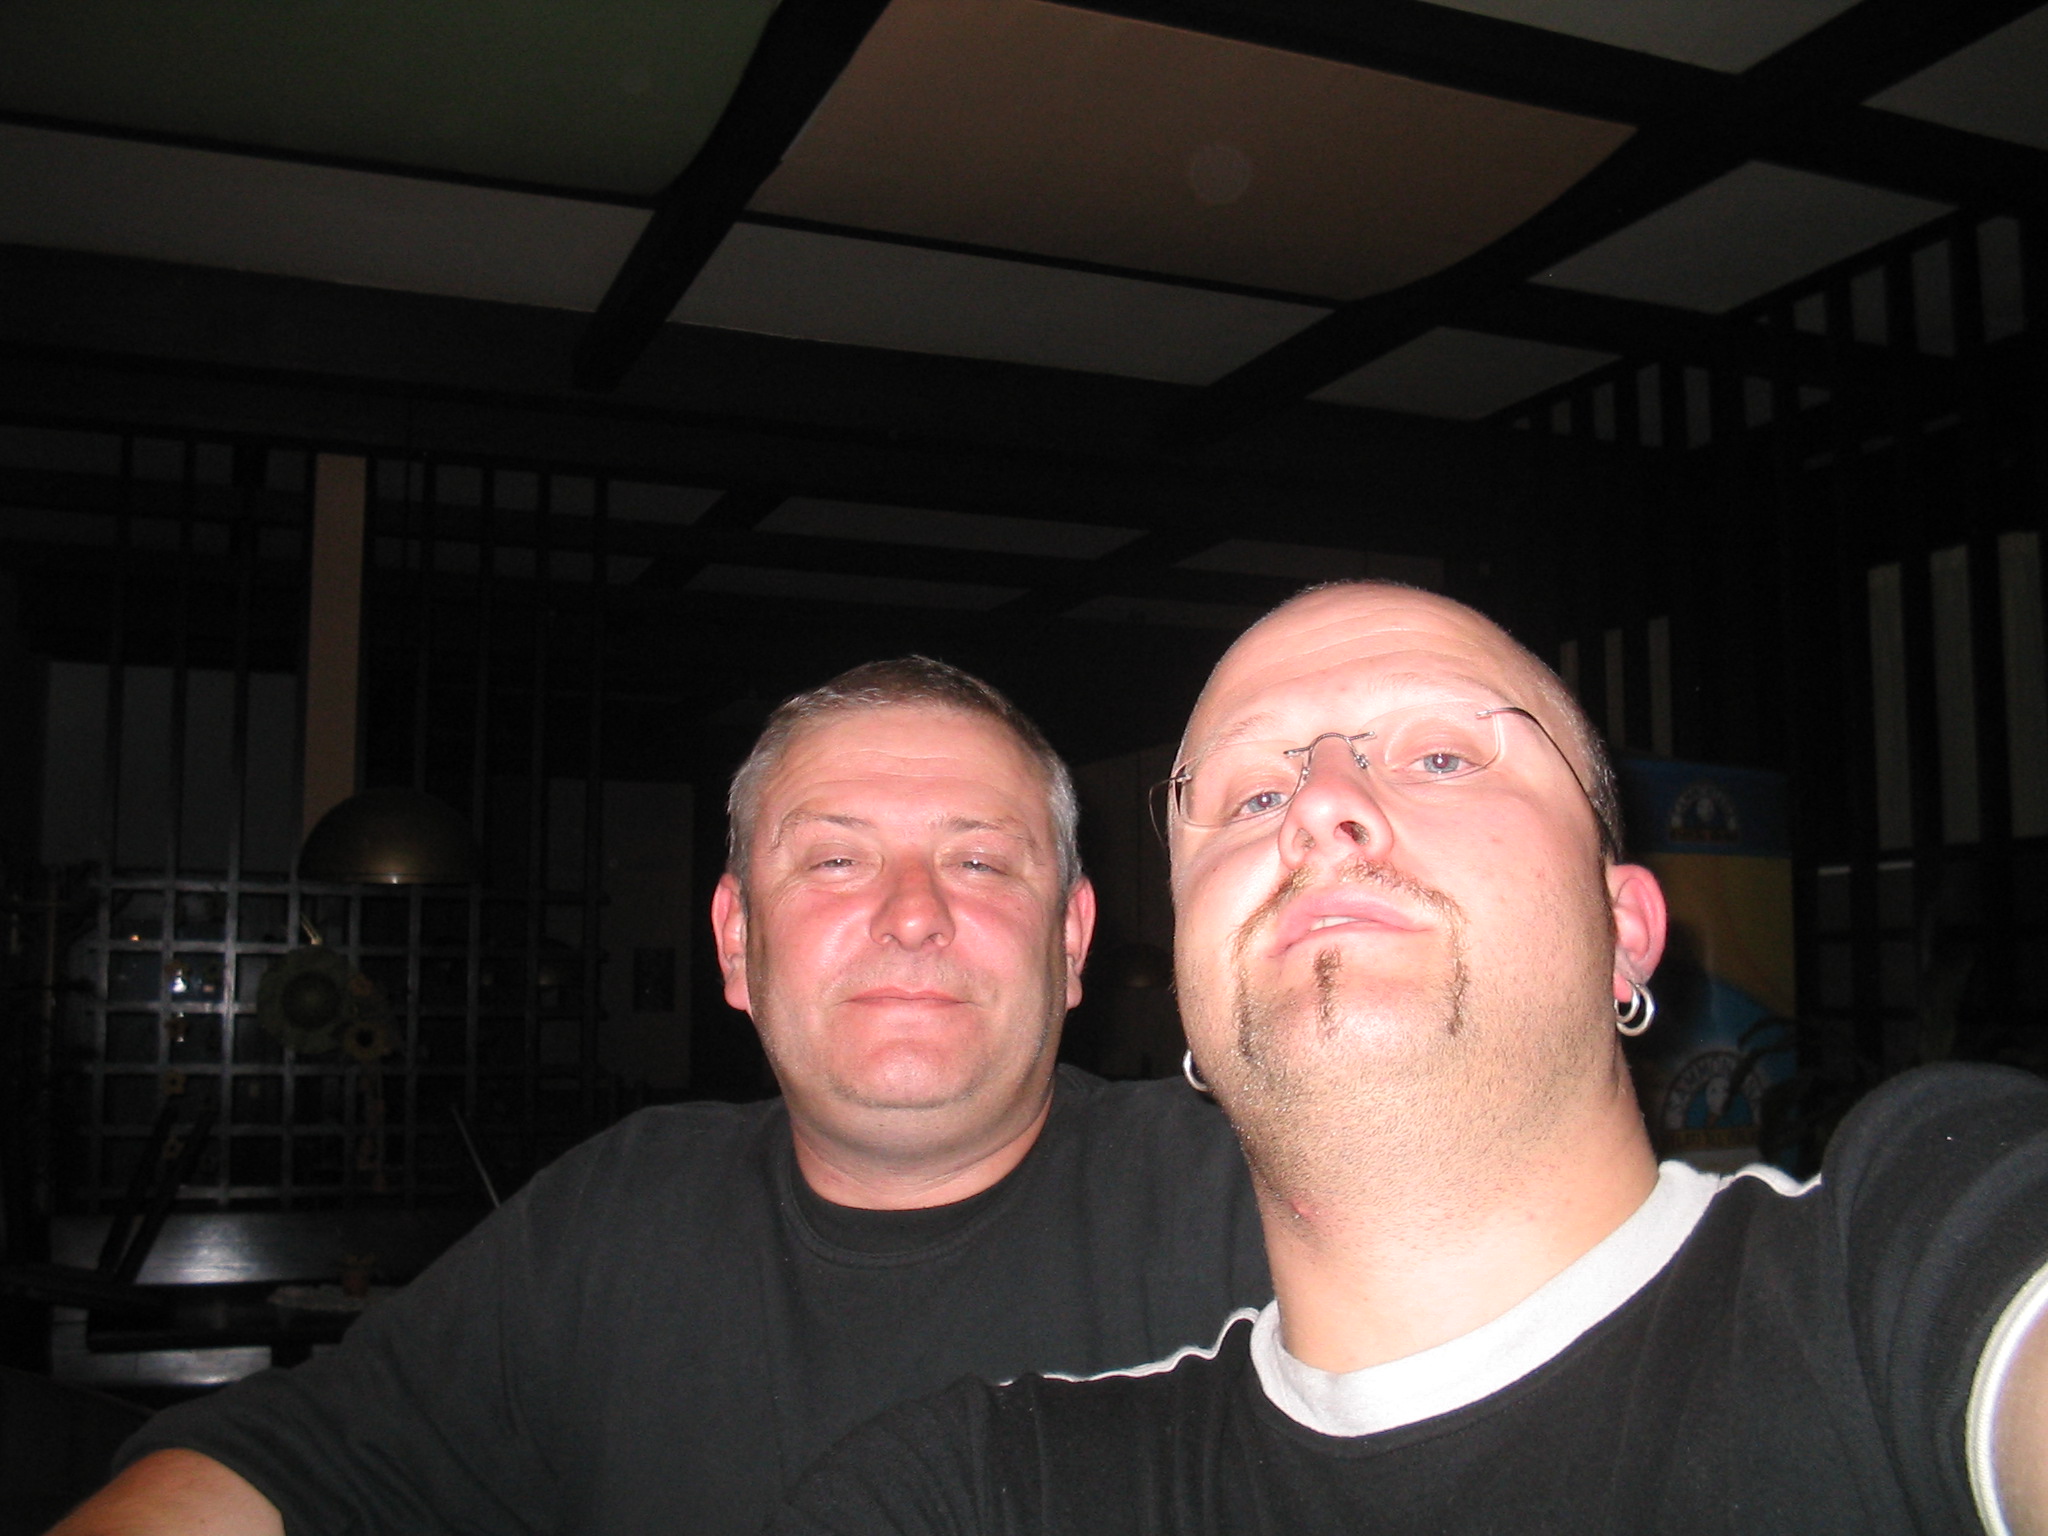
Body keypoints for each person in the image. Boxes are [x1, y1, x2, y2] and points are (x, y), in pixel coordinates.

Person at [775, 585, 2048, 1536]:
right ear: (1190, 1003)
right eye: (1250, 796)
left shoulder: (1904, 1261)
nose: (1322, 804)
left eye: (1440, 756)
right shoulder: (995, 1486)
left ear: (1624, 931)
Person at [57, 658, 1267, 1536]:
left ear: (1070, 941)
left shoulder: (1257, 1198)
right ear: (736, 943)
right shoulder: (624, 1208)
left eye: (978, 860)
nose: (912, 914)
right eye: (835, 859)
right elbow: (284, 1464)